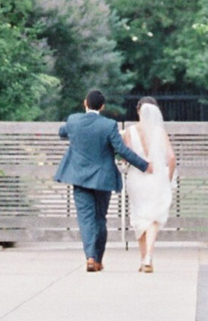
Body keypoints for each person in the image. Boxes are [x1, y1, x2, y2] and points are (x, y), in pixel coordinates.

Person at [53, 89, 150, 271]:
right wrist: (144, 165)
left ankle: (90, 257)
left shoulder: (74, 120)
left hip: (79, 177)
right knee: (100, 219)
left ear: (85, 103)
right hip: (102, 179)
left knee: (85, 219)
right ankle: (97, 260)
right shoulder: (108, 125)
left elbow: (62, 132)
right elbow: (121, 150)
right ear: (102, 106)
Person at [121, 94, 177, 273]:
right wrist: (167, 178)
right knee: (153, 217)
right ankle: (149, 257)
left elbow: (127, 156)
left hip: (136, 177)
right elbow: (171, 158)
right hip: (157, 178)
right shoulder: (159, 131)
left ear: (139, 111)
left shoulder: (129, 131)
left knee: (139, 216)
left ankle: (142, 258)